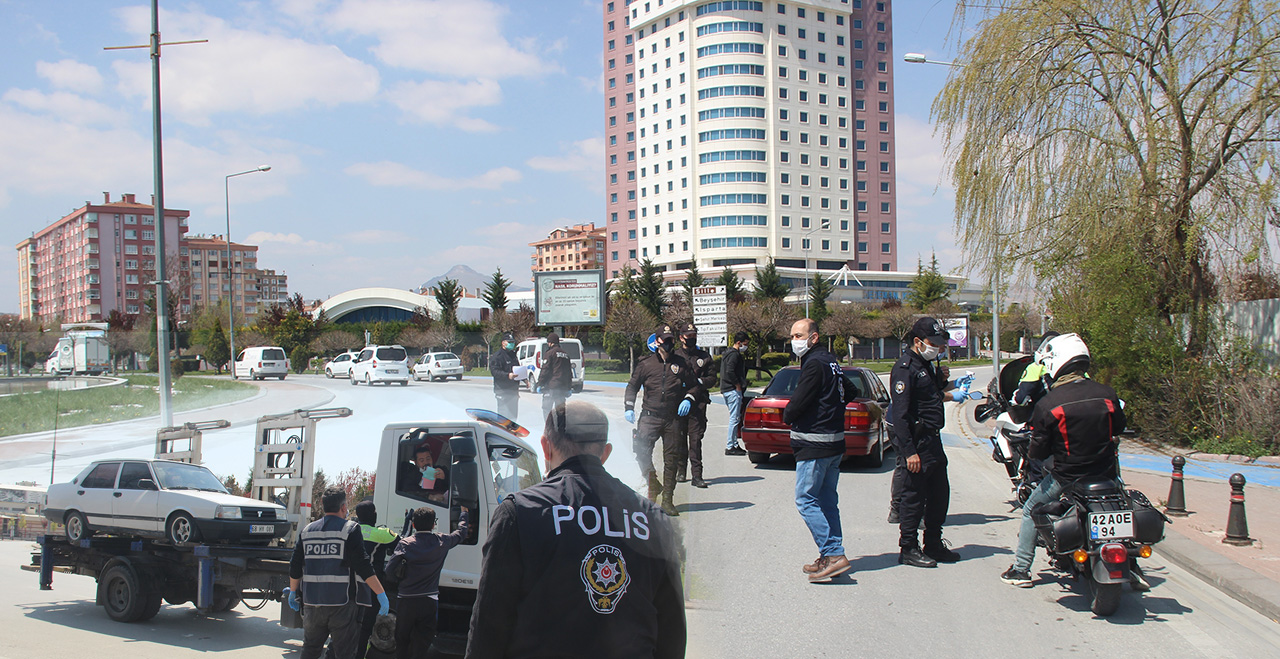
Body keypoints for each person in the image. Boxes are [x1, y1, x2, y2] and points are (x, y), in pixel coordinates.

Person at [465, 401, 685, 659]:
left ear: (546, 448)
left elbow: (489, 626)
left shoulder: (520, 513)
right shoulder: (653, 519)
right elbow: (672, 632)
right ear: (605, 453)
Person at [1000, 334, 1144, 589]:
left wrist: (1037, 453)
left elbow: (1039, 450)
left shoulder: (1050, 403)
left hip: (1067, 477)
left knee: (1031, 510)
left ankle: (1021, 569)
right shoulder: (1107, 394)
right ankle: (1133, 569)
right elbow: (1119, 427)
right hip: (1106, 474)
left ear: (1056, 363)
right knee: (1120, 509)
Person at [889, 317, 971, 568]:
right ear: (917, 341)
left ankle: (933, 543)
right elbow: (901, 415)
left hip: (933, 440)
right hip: (918, 442)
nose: (938, 348)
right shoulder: (905, 368)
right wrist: (910, 452)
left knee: (939, 496)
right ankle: (909, 547)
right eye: (933, 343)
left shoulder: (925, 365)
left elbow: (931, 396)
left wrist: (944, 380)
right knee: (914, 498)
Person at [784, 319, 857, 583]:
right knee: (826, 501)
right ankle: (829, 557)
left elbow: (798, 402)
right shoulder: (830, 361)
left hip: (815, 443)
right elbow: (851, 390)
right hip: (834, 441)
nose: (794, 340)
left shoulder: (814, 364)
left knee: (806, 499)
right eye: (792, 335)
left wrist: (790, 414)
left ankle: (833, 554)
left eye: (799, 335)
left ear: (813, 337)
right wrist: (829, 408)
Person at [287, 487, 390, 659]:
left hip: (312, 603)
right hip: (342, 605)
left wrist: (292, 592)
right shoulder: (349, 529)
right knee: (345, 653)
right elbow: (363, 565)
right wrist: (381, 593)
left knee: (310, 650)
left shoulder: (307, 531)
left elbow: (295, 565)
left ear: (323, 505)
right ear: (343, 507)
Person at [624, 324, 702, 515]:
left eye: (670, 339)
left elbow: (695, 387)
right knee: (641, 452)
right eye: (664, 339)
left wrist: (688, 399)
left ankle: (667, 499)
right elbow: (632, 386)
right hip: (650, 416)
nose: (668, 343)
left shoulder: (682, 364)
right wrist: (628, 407)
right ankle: (654, 483)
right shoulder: (646, 364)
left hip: (673, 419)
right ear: (657, 341)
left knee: (671, 460)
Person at [387, 506, 471, 659]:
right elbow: (461, 533)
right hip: (429, 600)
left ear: (413, 525)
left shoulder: (405, 544)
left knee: (402, 639)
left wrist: (399, 581)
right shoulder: (442, 541)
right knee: (423, 640)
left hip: (406, 600)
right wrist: (464, 513)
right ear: (433, 524)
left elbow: (389, 570)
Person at [354, 501, 400, 659]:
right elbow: (402, 544)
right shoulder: (380, 533)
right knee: (365, 629)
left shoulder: (350, 530)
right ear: (373, 514)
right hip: (371, 587)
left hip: (350, 586)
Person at [674, 322, 716, 488]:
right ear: (681, 337)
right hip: (678, 404)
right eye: (688, 336)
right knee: (679, 439)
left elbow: (712, 379)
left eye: (693, 335)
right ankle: (681, 471)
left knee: (695, 440)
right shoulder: (675, 355)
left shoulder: (704, 357)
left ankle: (697, 475)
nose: (691, 338)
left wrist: (700, 381)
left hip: (698, 404)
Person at [721, 332, 750, 456]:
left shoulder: (727, 354)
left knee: (735, 417)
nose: (746, 346)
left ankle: (734, 443)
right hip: (732, 389)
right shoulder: (734, 355)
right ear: (739, 342)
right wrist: (737, 384)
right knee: (734, 418)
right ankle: (730, 445)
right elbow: (730, 371)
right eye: (745, 344)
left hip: (726, 389)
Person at [398, 441, 448, 505]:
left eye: (428, 459)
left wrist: (445, 477)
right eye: (422, 460)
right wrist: (428, 496)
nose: (426, 462)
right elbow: (407, 492)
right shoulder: (411, 476)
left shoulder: (440, 470)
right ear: (416, 463)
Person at [536, 333, 573, 422]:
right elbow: (568, 372)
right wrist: (568, 387)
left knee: (547, 410)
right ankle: (561, 432)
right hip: (562, 387)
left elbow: (545, 370)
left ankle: (549, 431)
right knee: (561, 411)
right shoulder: (565, 354)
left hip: (551, 387)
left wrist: (540, 384)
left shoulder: (549, 353)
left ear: (550, 343)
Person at [489, 332, 521, 420]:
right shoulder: (497, 356)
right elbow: (494, 372)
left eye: (513, 342)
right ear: (503, 343)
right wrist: (508, 375)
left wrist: (525, 379)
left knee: (513, 418)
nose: (512, 344)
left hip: (513, 391)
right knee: (503, 418)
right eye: (509, 342)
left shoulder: (513, 355)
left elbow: (517, 368)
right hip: (502, 391)